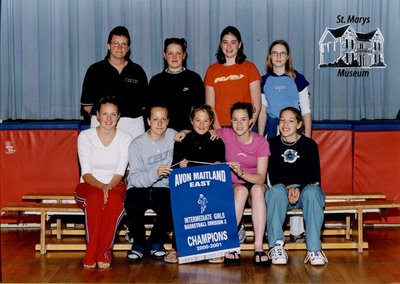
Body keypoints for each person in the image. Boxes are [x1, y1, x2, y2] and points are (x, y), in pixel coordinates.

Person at [257, 39, 312, 241]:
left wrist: (308, 140)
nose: (278, 56)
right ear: (269, 57)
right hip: (272, 129)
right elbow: (262, 111)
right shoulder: (263, 81)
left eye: (282, 53)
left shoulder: (298, 79)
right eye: (274, 53)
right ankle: (272, 227)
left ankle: (297, 229)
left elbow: (305, 111)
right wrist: (261, 138)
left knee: (296, 175)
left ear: (288, 56)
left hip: (294, 130)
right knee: (272, 179)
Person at [75, 96, 133, 269]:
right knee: (96, 199)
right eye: (105, 114)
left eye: (113, 114)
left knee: (115, 201)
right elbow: (86, 173)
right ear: (97, 116)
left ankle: (104, 253)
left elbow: (120, 172)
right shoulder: (85, 136)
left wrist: (108, 187)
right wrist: (102, 187)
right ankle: (90, 253)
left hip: (115, 185)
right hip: (90, 186)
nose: (109, 118)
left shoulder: (126, 138)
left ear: (118, 116)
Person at [265, 107, 328, 266]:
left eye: (290, 121)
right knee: (275, 192)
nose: (285, 125)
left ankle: (314, 249)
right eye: (282, 120)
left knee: (313, 192)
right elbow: (272, 175)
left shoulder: (309, 145)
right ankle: (276, 246)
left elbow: (315, 177)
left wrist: (299, 189)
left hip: (305, 191)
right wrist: (288, 188)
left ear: (299, 124)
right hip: (282, 191)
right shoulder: (270, 144)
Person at [164, 104, 226, 264]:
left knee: (215, 202)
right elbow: (174, 170)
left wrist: (219, 165)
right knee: (182, 202)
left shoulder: (217, 141)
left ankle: (214, 248)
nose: (201, 124)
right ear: (191, 121)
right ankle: (177, 248)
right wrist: (180, 167)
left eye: (206, 120)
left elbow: (221, 173)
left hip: (210, 189)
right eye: (198, 120)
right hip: (187, 189)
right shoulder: (181, 141)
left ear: (211, 122)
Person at [217, 102, 270, 267]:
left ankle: (259, 248)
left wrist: (241, 173)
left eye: (243, 119)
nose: (239, 124)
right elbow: (201, 129)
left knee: (256, 191)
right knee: (240, 191)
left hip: (256, 183)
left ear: (250, 122)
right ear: (231, 121)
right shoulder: (224, 134)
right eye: (235, 119)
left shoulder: (261, 143)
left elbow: (261, 178)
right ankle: (231, 245)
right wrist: (183, 132)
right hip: (235, 186)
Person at [124, 105, 178, 263]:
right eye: (155, 119)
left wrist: (186, 132)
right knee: (132, 206)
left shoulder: (174, 136)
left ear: (168, 121)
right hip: (140, 187)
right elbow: (134, 178)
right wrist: (155, 173)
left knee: (171, 205)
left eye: (163, 119)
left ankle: (156, 242)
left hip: (163, 187)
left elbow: (192, 135)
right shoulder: (137, 144)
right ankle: (139, 244)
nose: (159, 124)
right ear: (148, 121)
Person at [80, 26, 148, 139]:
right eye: (115, 43)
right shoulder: (94, 70)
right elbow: (87, 106)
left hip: (133, 126)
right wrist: (106, 119)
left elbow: (145, 105)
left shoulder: (138, 71)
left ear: (128, 48)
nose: (119, 47)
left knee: (133, 157)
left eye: (123, 44)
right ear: (108, 45)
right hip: (102, 124)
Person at [204, 26, 261, 129]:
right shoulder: (211, 70)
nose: (229, 46)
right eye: (225, 42)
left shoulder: (250, 68)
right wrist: (219, 130)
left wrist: (248, 126)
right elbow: (210, 105)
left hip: (244, 126)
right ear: (221, 45)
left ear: (239, 44)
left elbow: (256, 103)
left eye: (233, 42)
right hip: (220, 126)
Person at [148, 38, 205, 131]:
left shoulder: (194, 79)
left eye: (178, 53)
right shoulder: (155, 81)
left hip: (189, 133)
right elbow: (150, 112)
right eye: (170, 53)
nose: (174, 57)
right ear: (164, 55)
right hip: (163, 134)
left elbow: (201, 110)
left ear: (184, 55)